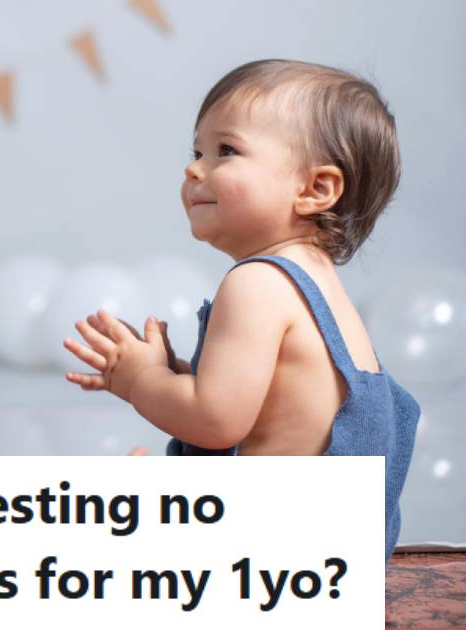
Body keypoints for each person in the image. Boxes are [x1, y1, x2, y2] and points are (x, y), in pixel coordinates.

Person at [61, 59, 420, 565]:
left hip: (274, 553)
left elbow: (215, 420)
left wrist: (140, 380)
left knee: (91, 514)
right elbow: (261, 404)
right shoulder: (317, 283)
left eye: (226, 150)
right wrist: (172, 371)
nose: (194, 168)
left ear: (315, 189)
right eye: (197, 150)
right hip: (338, 548)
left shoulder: (256, 283)